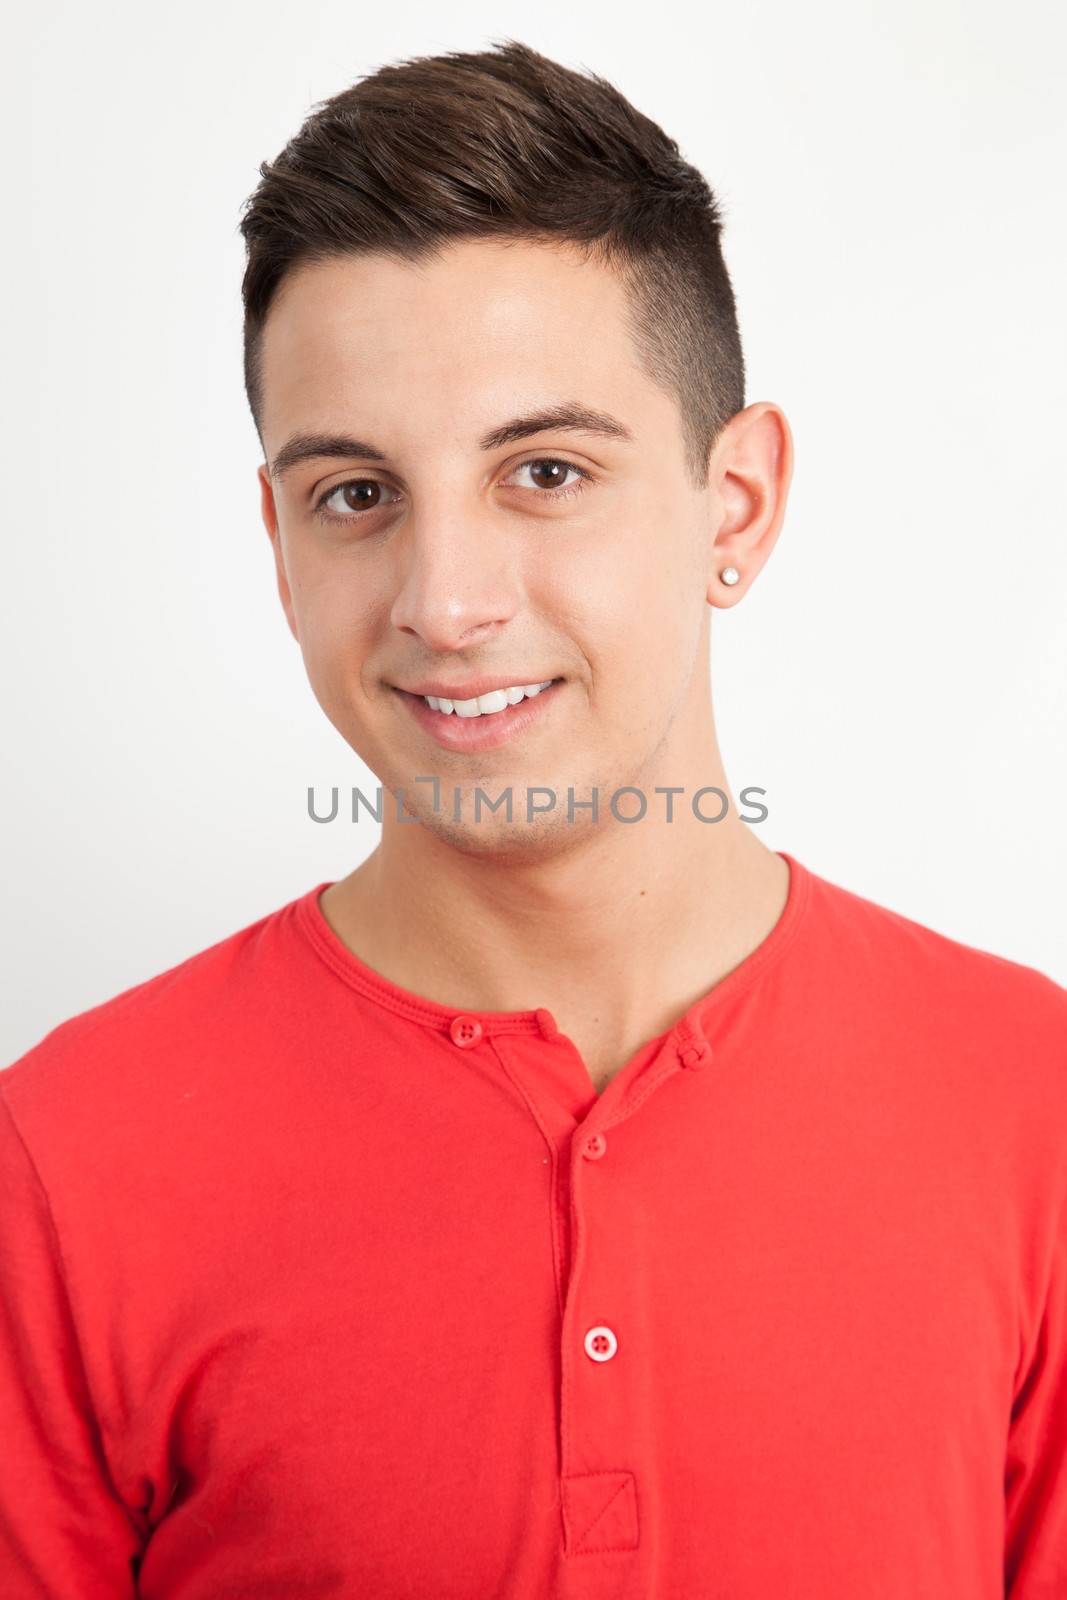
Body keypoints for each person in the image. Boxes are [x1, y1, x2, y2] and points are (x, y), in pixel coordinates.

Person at [1, 38, 1063, 1599]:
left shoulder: (1034, 1109)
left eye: (545, 470)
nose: (446, 604)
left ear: (736, 504)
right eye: (357, 493)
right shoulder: (58, 1163)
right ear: (282, 547)